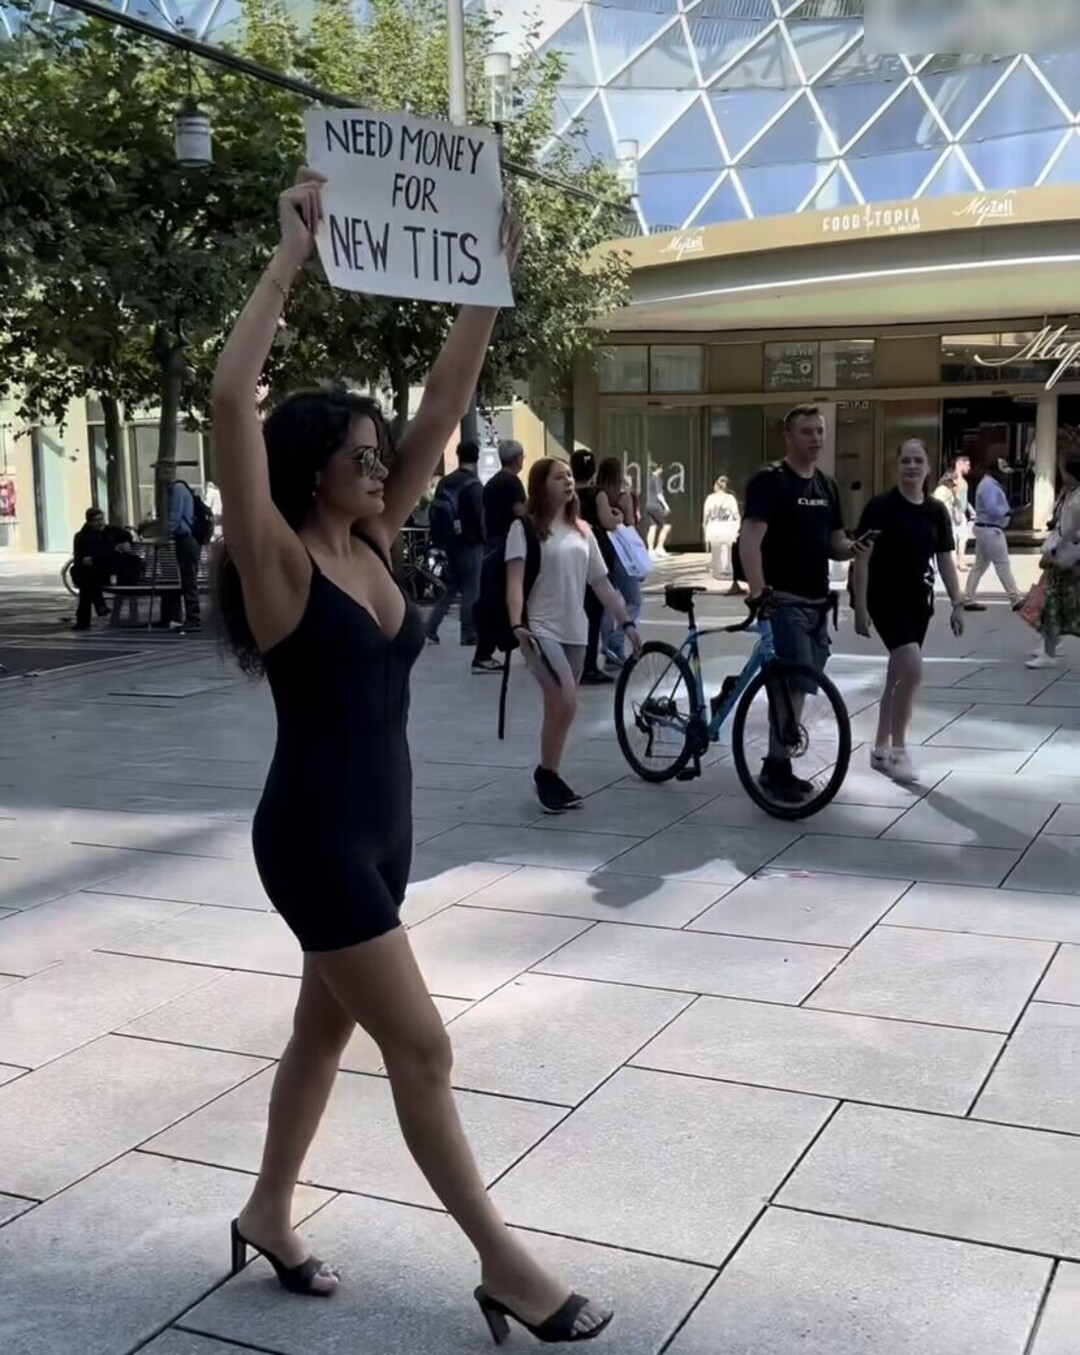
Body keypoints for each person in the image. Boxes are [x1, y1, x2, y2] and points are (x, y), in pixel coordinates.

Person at [212, 169, 610, 1345]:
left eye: (383, 455)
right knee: (423, 1047)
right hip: (315, 840)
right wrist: (290, 254)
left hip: (384, 834)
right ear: (311, 468)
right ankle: (505, 1265)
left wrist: (489, 279)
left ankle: (267, 1209)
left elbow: (445, 399)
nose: (385, 466)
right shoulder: (279, 564)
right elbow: (231, 399)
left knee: (321, 1031)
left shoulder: (375, 541)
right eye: (361, 454)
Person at [739, 404, 868, 802]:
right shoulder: (770, 481)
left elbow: (835, 543)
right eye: (807, 431)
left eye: (820, 431)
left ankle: (776, 762)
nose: (816, 439)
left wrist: (854, 547)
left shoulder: (827, 486)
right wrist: (759, 593)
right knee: (790, 684)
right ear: (788, 437)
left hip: (817, 604)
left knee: (801, 684)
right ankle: (777, 766)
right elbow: (750, 540)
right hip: (783, 601)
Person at [507, 457, 641, 814]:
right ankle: (545, 774)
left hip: (577, 631)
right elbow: (514, 582)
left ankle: (550, 774)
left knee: (559, 708)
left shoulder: (584, 530)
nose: (567, 481)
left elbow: (601, 584)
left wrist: (626, 623)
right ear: (541, 485)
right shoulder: (525, 528)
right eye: (558, 477)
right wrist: (517, 625)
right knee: (566, 700)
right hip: (540, 629)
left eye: (569, 475)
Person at [851, 440, 965, 783]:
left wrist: (957, 604)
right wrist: (859, 607)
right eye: (905, 460)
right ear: (897, 466)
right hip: (885, 600)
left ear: (928, 468)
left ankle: (879, 748)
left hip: (919, 603)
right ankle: (899, 752)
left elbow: (945, 559)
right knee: (912, 670)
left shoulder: (936, 511)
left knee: (897, 674)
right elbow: (862, 559)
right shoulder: (880, 507)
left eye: (918, 460)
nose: (911, 466)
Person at [472, 439, 526, 674]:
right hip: (507, 545)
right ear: (516, 459)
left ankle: (488, 650)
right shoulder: (512, 482)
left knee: (491, 597)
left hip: (492, 545)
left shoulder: (492, 483)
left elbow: (484, 517)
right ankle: (489, 651)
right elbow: (519, 511)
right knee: (505, 597)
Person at [425, 440, 485, 647]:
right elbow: (479, 517)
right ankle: (468, 632)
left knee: (452, 588)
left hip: (450, 543)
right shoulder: (474, 485)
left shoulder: (445, 482)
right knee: (471, 589)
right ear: (477, 457)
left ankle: (430, 627)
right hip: (470, 542)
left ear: (458, 456)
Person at [1028, 448, 1080, 670]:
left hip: (1068, 559)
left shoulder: (1077, 498)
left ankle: (1049, 650)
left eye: (1062, 469)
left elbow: (1071, 531)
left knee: (1054, 603)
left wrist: (1056, 550)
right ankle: (1049, 647)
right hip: (1066, 558)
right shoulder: (1072, 494)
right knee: (1055, 603)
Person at [572, 449, 615, 686]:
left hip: (572, 553)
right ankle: (589, 665)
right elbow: (608, 522)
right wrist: (618, 517)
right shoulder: (597, 494)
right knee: (594, 611)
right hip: (595, 552)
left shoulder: (567, 494)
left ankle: (574, 662)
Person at [596, 455, 641, 668]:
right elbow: (629, 522)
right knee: (633, 600)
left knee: (608, 601)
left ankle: (608, 647)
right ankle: (616, 642)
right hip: (622, 554)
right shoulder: (623, 497)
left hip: (602, 552)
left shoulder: (597, 496)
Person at [963, 459, 1024, 611]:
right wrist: (1011, 512)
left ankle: (968, 598)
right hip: (991, 530)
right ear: (994, 471)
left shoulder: (988, 484)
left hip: (984, 528)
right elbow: (992, 509)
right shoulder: (989, 486)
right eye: (1003, 473)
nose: (1006, 476)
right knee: (1002, 564)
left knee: (979, 566)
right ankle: (1015, 598)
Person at [158, 459, 202, 630]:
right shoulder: (177, 488)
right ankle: (190, 618)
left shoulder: (177, 489)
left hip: (186, 539)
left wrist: (165, 536)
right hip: (184, 540)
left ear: (169, 471)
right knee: (187, 579)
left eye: (161, 472)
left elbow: (175, 516)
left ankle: (194, 619)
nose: (159, 476)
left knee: (189, 580)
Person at [70, 508, 112, 630]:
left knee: (87, 584)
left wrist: (94, 558)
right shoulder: (80, 537)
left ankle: (83, 620)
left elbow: (108, 554)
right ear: (89, 522)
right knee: (88, 575)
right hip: (86, 572)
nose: (99, 523)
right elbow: (78, 558)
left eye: (101, 519)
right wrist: (85, 560)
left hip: (102, 572)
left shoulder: (107, 534)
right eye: (95, 520)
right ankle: (100, 605)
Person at [702, 475, 741, 581]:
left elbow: (706, 516)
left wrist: (705, 528)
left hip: (714, 528)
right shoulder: (731, 498)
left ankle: (717, 573)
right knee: (727, 552)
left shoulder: (710, 498)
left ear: (716, 486)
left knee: (716, 552)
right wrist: (738, 527)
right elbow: (736, 515)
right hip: (728, 528)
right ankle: (726, 570)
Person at [645, 462, 671, 556]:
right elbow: (659, 494)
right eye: (661, 468)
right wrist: (666, 505)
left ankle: (650, 549)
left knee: (653, 526)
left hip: (649, 505)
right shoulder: (657, 479)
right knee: (667, 525)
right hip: (656, 505)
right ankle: (659, 547)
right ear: (658, 468)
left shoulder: (650, 478)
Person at [952, 454, 973, 566]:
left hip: (962, 513)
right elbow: (952, 497)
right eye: (967, 465)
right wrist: (955, 511)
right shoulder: (953, 480)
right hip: (955, 514)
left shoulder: (964, 481)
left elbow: (964, 499)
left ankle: (961, 561)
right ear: (960, 464)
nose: (969, 468)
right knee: (955, 539)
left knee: (963, 538)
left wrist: (971, 512)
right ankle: (955, 562)